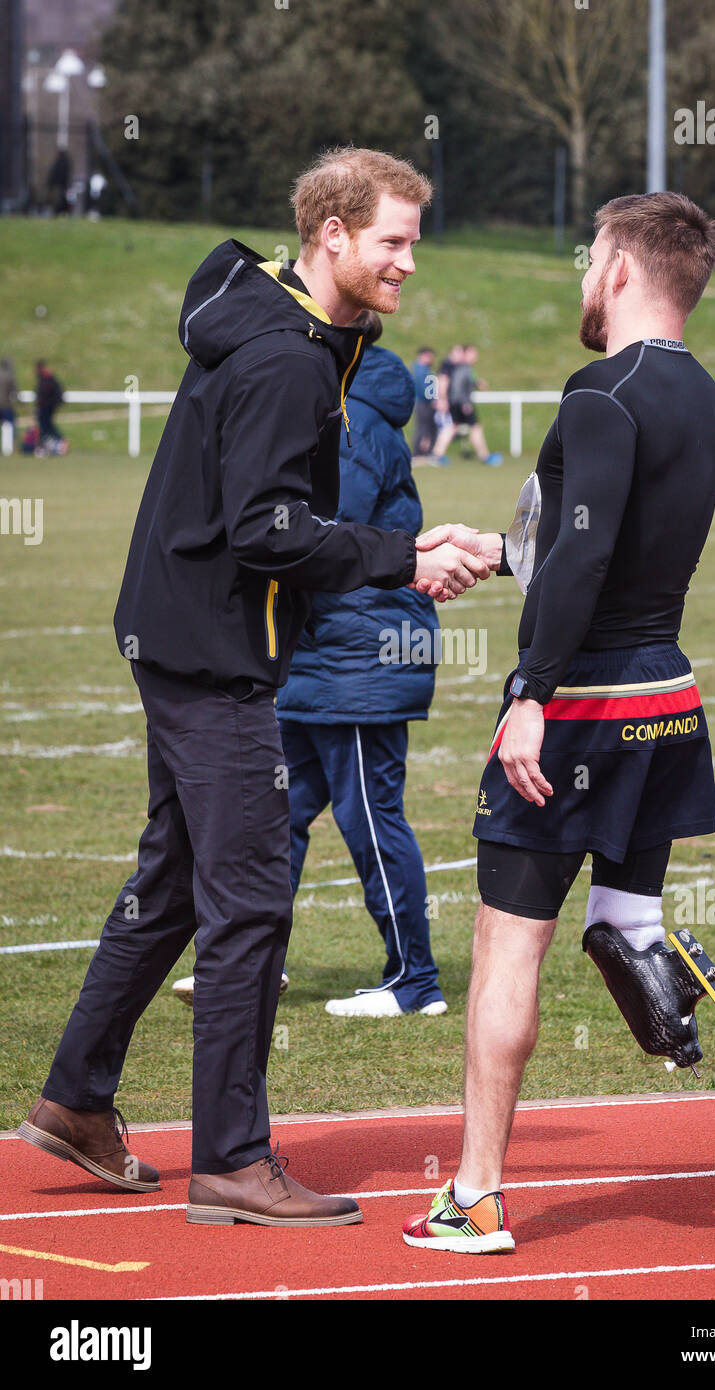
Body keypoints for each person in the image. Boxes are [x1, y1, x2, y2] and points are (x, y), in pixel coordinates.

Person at [18, 147, 489, 1231]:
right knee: (251, 902)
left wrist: (402, 544)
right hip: (214, 658)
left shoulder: (275, 324)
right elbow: (267, 528)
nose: (408, 263)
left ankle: (75, 1098)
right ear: (332, 236)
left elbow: (271, 516)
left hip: (179, 635)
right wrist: (403, 559)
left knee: (176, 883)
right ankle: (232, 1160)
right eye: (393, 241)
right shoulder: (283, 355)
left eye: (411, 241)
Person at [402, 191, 715, 1253]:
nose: (582, 274)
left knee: (505, 947)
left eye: (589, 255)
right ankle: (644, 961)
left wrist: (528, 695)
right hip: (663, 699)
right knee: (612, 917)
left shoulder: (601, 389)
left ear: (624, 268)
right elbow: (588, 542)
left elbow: (585, 557)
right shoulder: (705, 399)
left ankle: (478, 1198)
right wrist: (492, 549)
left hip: (581, 702)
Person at [277, 311, 446, 1018]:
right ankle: (253, 963)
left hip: (358, 650)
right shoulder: (340, 409)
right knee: (272, 811)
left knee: (371, 817)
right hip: (324, 651)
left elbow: (324, 540)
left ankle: (415, 981)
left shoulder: (353, 423)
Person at [432, 343, 503, 467]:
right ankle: (485, 456)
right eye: (473, 353)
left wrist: (477, 384)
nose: (475, 356)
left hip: (457, 401)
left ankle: (437, 455)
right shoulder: (463, 367)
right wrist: (465, 402)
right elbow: (458, 386)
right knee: (475, 427)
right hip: (462, 402)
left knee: (452, 427)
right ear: (466, 354)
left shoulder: (462, 367)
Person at [411, 345, 438, 458]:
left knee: (431, 427)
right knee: (422, 427)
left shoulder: (426, 368)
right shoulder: (419, 369)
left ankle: (429, 450)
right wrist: (431, 398)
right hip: (422, 402)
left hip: (426, 401)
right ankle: (417, 452)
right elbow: (423, 387)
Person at [35, 361, 67, 455]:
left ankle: (59, 442)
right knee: (46, 426)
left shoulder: (47, 378)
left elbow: (45, 394)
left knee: (46, 426)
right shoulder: (47, 378)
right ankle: (51, 446)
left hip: (47, 407)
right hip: (47, 407)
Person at [0, 358, 18, 443]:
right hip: (6, 405)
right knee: (11, 425)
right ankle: (13, 443)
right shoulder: (9, 377)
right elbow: (14, 392)